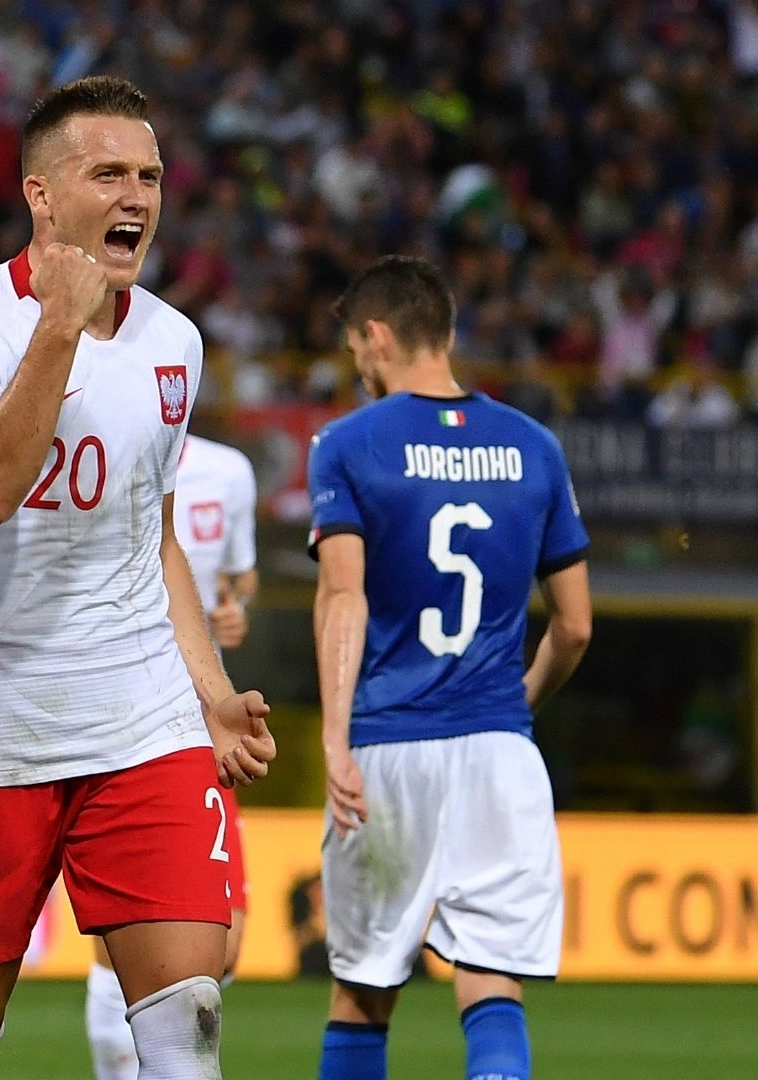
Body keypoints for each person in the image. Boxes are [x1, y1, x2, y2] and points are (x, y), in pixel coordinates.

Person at [0, 75, 276, 1080]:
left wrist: (210, 696)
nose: (137, 196)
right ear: (43, 196)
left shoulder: (176, 342)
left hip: (143, 719)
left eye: (151, 176)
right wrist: (59, 327)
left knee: (187, 1020)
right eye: (108, 174)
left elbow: (153, 532)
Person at [309, 256, 592, 1080]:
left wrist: (334, 742)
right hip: (499, 755)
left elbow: (343, 599)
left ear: (377, 334)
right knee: (491, 980)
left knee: (362, 990)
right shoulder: (534, 447)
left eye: (355, 348)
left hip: (386, 749)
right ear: (451, 334)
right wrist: (517, 704)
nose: (357, 366)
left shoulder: (348, 445)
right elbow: (573, 626)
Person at [85, 431, 259, 1080]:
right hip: (111, 713)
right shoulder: (99, 443)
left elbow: (241, 578)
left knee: (225, 944)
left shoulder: (229, 470)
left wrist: (237, 606)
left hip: (196, 720)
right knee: (127, 939)